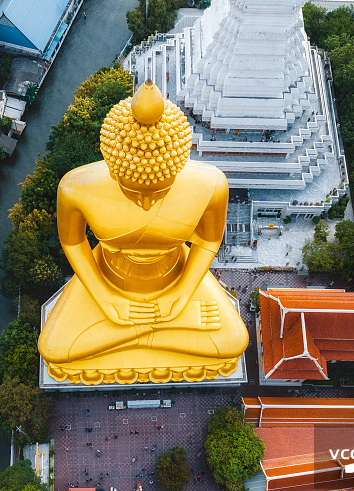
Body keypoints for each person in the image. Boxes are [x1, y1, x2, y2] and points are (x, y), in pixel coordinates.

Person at [38, 80, 248, 385]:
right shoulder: (76, 187)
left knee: (233, 342)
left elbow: (208, 240)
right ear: (111, 167)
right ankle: (151, 331)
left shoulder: (210, 184)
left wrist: (182, 293)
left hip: (176, 276)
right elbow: (73, 242)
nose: (147, 201)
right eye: (132, 190)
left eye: (159, 191)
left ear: (177, 168)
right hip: (108, 279)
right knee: (54, 349)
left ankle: (129, 333)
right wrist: (104, 298)